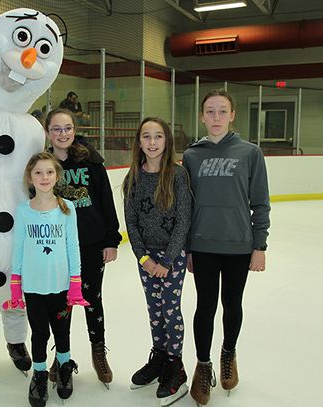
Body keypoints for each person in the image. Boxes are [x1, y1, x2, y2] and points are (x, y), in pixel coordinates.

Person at [182, 89, 271, 406]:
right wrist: (188, 247)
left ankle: (228, 353)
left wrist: (259, 244)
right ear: (202, 116)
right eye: (210, 111)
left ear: (233, 115)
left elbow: (260, 202)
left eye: (222, 111)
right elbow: (186, 207)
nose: (216, 117)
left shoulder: (250, 153)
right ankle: (203, 365)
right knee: (205, 306)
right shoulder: (192, 155)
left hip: (238, 245)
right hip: (203, 245)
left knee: (232, 304)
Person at [3, 151, 89, 407]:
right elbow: (17, 248)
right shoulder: (23, 210)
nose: (44, 177)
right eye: (38, 172)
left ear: (57, 176)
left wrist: (75, 282)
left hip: (62, 286)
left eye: (49, 172)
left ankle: (63, 368)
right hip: (33, 286)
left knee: (62, 331)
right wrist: (16, 286)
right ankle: (39, 374)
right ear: (30, 177)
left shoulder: (67, 208)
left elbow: (73, 246)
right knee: (39, 333)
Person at [45, 108, 122, 388]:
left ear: (74, 130)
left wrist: (111, 239)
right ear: (48, 133)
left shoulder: (91, 162)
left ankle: (98, 350)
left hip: (90, 243)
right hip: (57, 246)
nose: (62, 134)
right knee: (60, 302)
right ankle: (61, 355)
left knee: (91, 298)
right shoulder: (44, 164)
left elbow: (105, 199)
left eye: (67, 128)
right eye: (56, 129)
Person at [122, 117, 192, 406]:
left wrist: (167, 260)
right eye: (147, 136)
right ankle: (159, 356)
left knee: (170, 309)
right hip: (147, 258)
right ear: (139, 142)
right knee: (154, 310)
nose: (152, 142)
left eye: (158, 137)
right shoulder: (133, 178)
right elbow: (132, 223)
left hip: (171, 258)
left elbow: (183, 221)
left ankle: (176, 365)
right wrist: (144, 257)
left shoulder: (177, 176)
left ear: (167, 141)